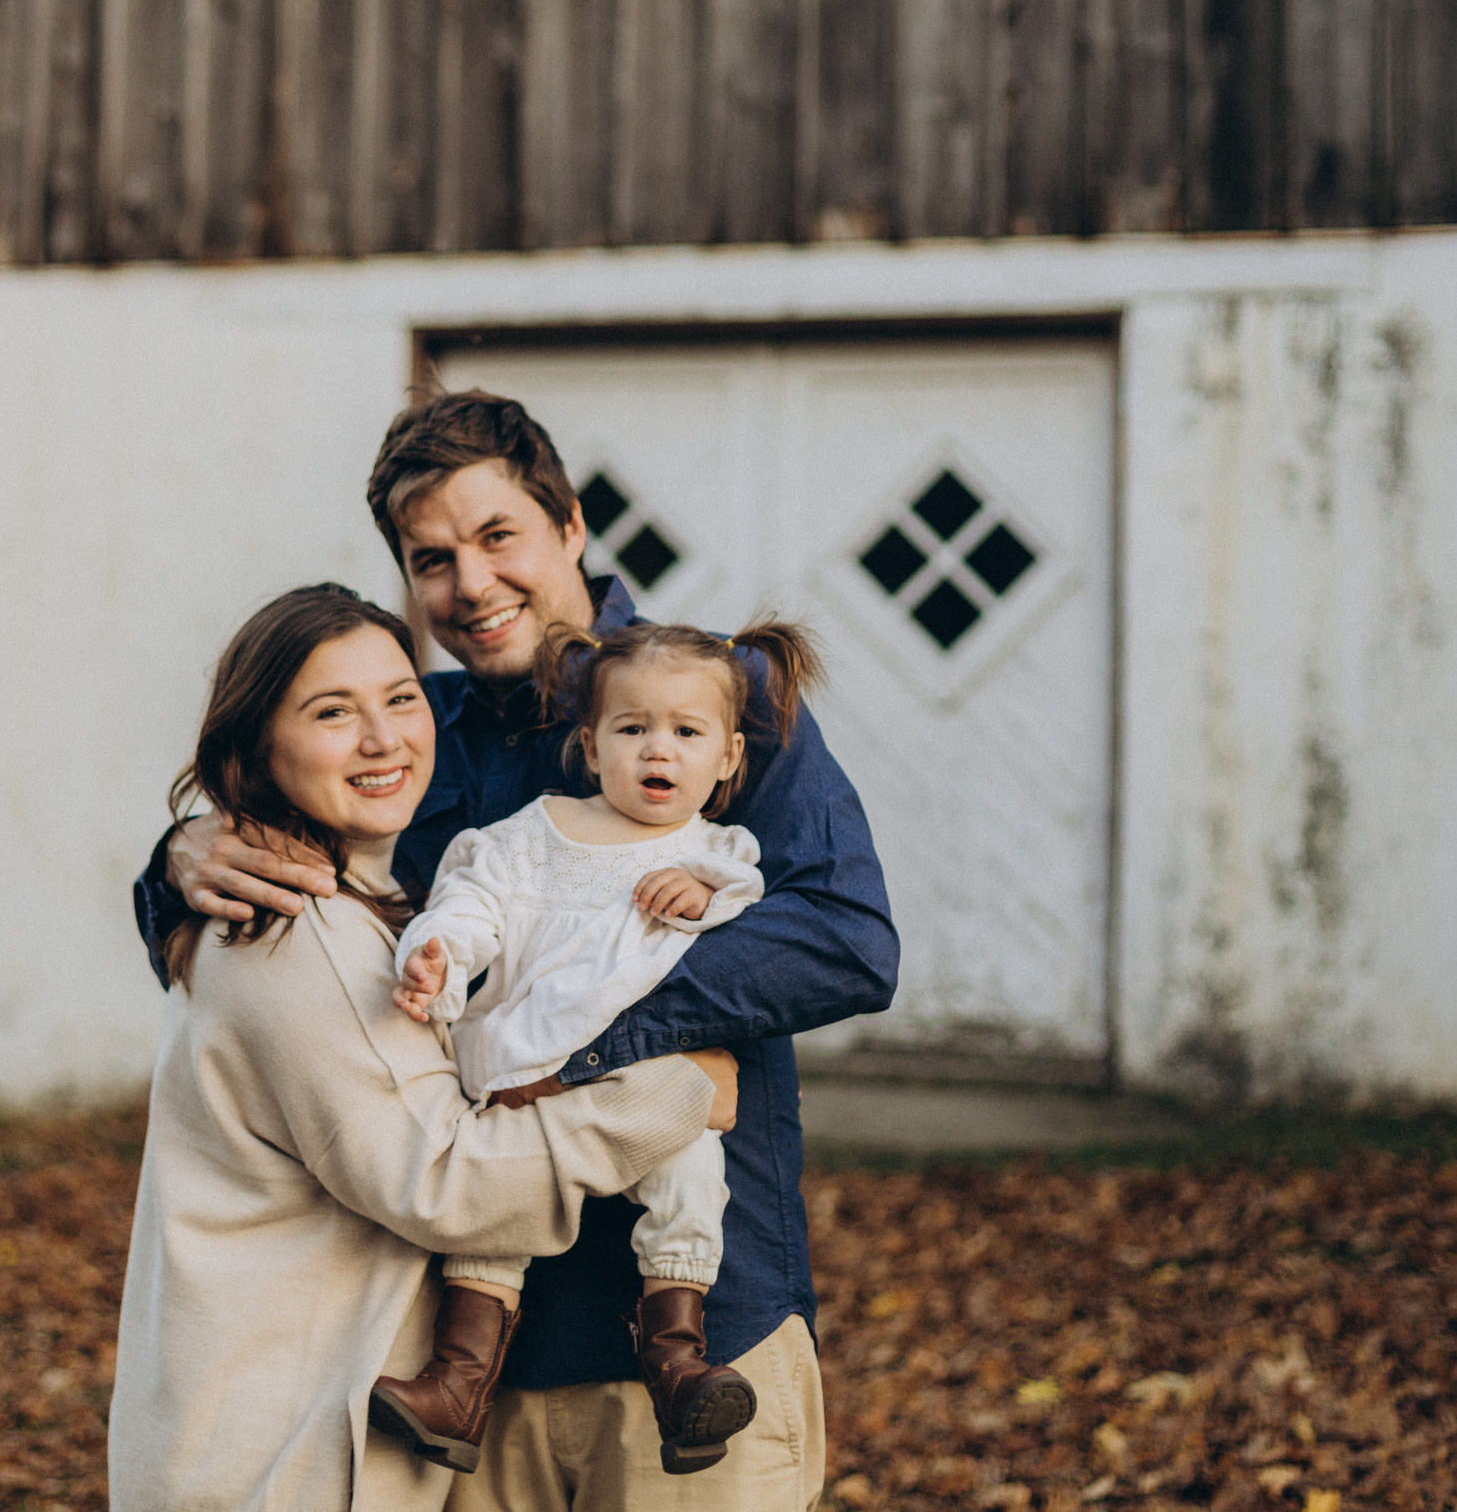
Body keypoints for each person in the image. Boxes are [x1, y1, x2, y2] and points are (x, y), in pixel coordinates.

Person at [134, 392, 901, 1509]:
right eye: (432, 559)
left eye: (499, 535)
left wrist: (574, 1046)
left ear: (571, 524)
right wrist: (177, 858)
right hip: (466, 1358)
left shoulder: (707, 697)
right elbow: (305, 906)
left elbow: (843, 937)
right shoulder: (412, 734)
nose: (472, 583)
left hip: (694, 1339)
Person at [108, 584, 743, 1512]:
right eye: (333, 712)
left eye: (401, 698)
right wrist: (677, 1091)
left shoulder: (359, 907)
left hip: (271, 1430)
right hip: (281, 1460)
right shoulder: (302, 936)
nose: (383, 738)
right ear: (258, 747)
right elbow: (448, 1180)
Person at [372, 616, 825, 1478]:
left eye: (686, 732)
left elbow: (750, 916)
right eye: (632, 727)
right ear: (589, 744)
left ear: (729, 757)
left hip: (646, 1091)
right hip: (527, 1069)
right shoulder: (535, 833)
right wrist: (438, 953)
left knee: (691, 1180)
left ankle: (678, 1361)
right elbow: (473, 901)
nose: (658, 748)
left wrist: (703, 892)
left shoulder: (718, 854)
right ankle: (458, 1383)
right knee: (495, 1209)